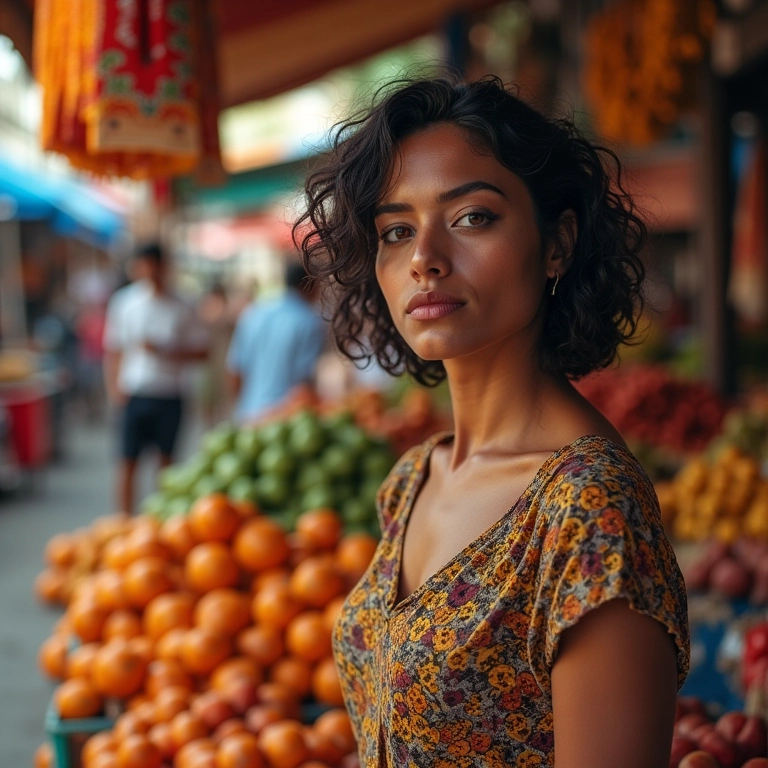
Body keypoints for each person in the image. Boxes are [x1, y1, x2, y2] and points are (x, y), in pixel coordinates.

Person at [295, 76, 689, 768]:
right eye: (396, 231)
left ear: (559, 243)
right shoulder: (414, 478)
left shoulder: (587, 507)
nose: (424, 260)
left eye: (472, 216)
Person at [103, 243, 208, 515]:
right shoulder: (124, 303)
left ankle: (163, 522)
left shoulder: (184, 304)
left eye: (154, 266)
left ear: (165, 267)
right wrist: (114, 391)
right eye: (144, 266)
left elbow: (202, 351)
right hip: (134, 392)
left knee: (167, 465)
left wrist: (166, 351)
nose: (149, 272)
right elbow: (113, 350)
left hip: (170, 393)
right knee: (127, 462)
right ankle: (124, 522)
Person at [227, 261, 325, 422]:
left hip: (248, 412)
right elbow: (304, 379)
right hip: (285, 418)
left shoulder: (255, 312)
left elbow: (235, 369)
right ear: (310, 286)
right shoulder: (308, 321)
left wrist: (240, 408)